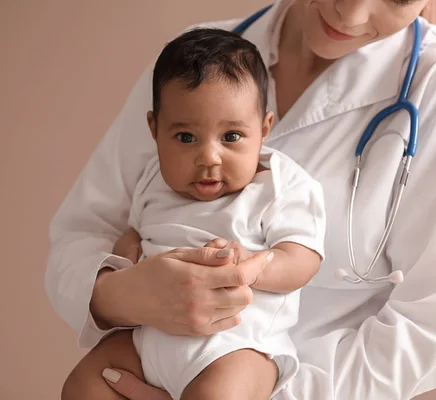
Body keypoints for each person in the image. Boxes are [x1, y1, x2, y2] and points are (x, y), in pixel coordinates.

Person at [46, 0, 436, 399]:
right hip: (149, 350)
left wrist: (241, 391)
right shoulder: (193, 57)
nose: (352, 12)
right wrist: (119, 294)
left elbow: (433, 331)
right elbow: (85, 234)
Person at [59, 28, 326, 400]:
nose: (208, 158)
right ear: (154, 130)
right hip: (145, 338)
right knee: (85, 384)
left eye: (231, 136)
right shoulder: (153, 179)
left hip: (235, 346)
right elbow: (135, 230)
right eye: (186, 138)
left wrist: (256, 265)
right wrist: (128, 251)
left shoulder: (281, 187)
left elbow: (303, 258)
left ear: (264, 129)